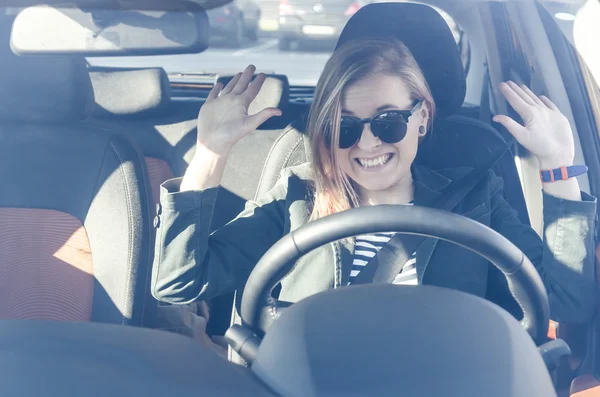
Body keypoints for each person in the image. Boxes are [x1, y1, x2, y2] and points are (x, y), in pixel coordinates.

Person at [151, 38, 597, 325]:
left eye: (386, 123)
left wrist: (558, 163)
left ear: (421, 117)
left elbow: (567, 303)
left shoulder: (476, 199)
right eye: (344, 127)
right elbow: (178, 285)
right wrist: (211, 152)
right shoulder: (295, 198)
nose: (366, 143)